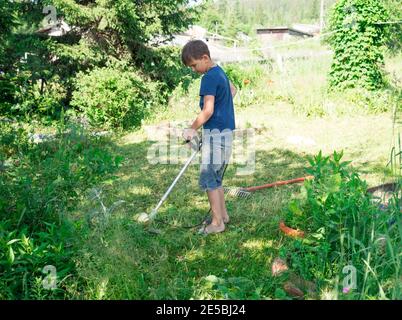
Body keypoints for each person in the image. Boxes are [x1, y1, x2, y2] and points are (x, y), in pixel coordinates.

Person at [181, 40, 236, 235]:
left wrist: (192, 129)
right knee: (216, 178)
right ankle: (223, 216)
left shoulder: (208, 78)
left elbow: (208, 109)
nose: (194, 70)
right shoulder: (219, 71)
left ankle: (217, 223)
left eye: (195, 65)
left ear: (205, 58)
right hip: (226, 133)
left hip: (216, 136)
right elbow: (233, 90)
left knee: (209, 179)